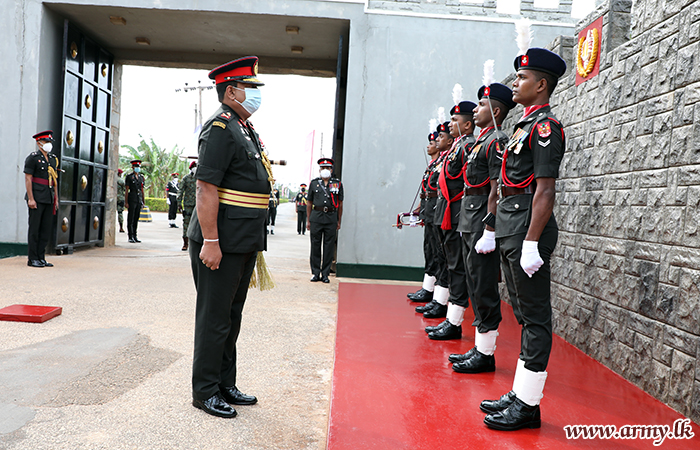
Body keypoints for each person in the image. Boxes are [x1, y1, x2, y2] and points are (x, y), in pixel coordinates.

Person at [480, 48, 567, 431]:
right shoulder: (523, 126)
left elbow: (545, 190)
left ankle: (529, 405)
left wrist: (532, 242)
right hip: (512, 224)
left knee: (535, 318)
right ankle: (520, 393)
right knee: (522, 314)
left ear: (541, 85)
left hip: (528, 228)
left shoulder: (546, 128)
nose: (515, 83)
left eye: (522, 78)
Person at [188, 56, 271, 419]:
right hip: (221, 239)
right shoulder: (220, 127)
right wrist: (210, 241)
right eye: (249, 87)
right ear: (232, 91)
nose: (255, 94)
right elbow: (206, 187)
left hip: (242, 239)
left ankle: (225, 383)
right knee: (214, 317)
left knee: (231, 315)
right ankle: (205, 391)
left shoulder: (243, 128)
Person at [451, 83, 516, 374]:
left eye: (480, 105)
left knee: (484, 285)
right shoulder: (482, 140)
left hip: (481, 218)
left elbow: (496, 188)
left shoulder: (497, 140)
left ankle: (486, 353)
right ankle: (480, 347)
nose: (475, 110)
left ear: (496, 111)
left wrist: (490, 227)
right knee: (474, 281)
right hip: (470, 216)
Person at [425, 103, 476, 340]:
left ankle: (454, 320)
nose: (450, 124)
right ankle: (447, 313)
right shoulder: (458, 146)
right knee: (445, 259)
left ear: (467, 125)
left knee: (456, 265)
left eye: (455, 120)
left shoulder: (467, 145)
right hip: (446, 208)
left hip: (456, 210)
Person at [415, 123, 452, 317]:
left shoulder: (445, 159)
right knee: (430, 250)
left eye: (437, 139)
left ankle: (439, 298)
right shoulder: (436, 163)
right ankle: (431, 291)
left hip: (440, 209)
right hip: (431, 209)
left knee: (440, 254)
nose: (433, 143)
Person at [407, 131, 441, 303]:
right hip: (429, 210)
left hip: (436, 211)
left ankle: (435, 292)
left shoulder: (440, 164)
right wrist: (420, 210)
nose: (428, 146)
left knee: (436, 252)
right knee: (429, 249)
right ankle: (428, 287)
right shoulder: (432, 166)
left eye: (432, 143)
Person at [24, 130, 59, 268]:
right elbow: (28, 179)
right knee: (35, 229)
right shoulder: (33, 158)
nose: (49, 144)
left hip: (48, 197)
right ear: (39, 143)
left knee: (45, 229)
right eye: (46, 141)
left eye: (50, 141)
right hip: (37, 197)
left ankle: (41, 257)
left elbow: (54, 180)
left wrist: (56, 198)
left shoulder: (52, 159)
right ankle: (33, 258)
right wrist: (31, 199)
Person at [307, 157, 344, 283]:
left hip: (331, 218)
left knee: (328, 247)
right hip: (316, 218)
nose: (325, 170)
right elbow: (309, 203)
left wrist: (339, 221)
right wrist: (308, 220)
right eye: (323, 168)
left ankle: (325, 274)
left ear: (331, 170)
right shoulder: (314, 183)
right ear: (319, 170)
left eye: (328, 168)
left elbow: (340, 203)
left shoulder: (337, 184)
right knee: (315, 245)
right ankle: (315, 273)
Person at [124, 160, 145, 243]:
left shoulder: (141, 177)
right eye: (136, 167)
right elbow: (126, 190)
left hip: (138, 198)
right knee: (131, 218)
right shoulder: (129, 177)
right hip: (132, 198)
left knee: (136, 218)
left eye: (138, 167)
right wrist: (126, 202)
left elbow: (142, 190)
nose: (137, 168)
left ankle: (135, 236)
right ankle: (130, 236)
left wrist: (143, 201)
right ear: (132, 167)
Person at [178, 161, 197, 251]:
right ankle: (185, 243)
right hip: (188, 205)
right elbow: (180, 191)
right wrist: (179, 203)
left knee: (199, 224)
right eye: (194, 167)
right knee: (186, 223)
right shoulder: (186, 178)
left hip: (199, 205)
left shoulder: (201, 178)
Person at [117, 169, 126, 233]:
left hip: (112, 198)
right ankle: (121, 227)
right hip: (120, 199)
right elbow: (125, 189)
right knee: (120, 213)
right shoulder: (121, 181)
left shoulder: (111, 179)